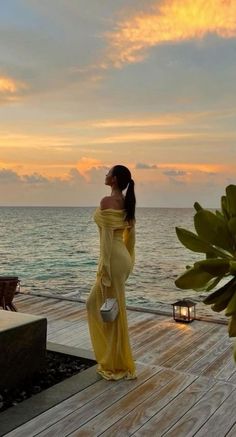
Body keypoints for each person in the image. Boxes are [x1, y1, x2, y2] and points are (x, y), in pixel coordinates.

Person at [86, 165, 137, 380]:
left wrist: (104, 269)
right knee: (113, 309)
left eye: (108, 173)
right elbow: (129, 236)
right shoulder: (127, 202)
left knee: (100, 307)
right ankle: (115, 358)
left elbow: (106, 241)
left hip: (112, 260)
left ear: (114, 180)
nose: (105, 175)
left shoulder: (107, 202)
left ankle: (115, 363)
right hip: (121, 256)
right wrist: (127, 261)